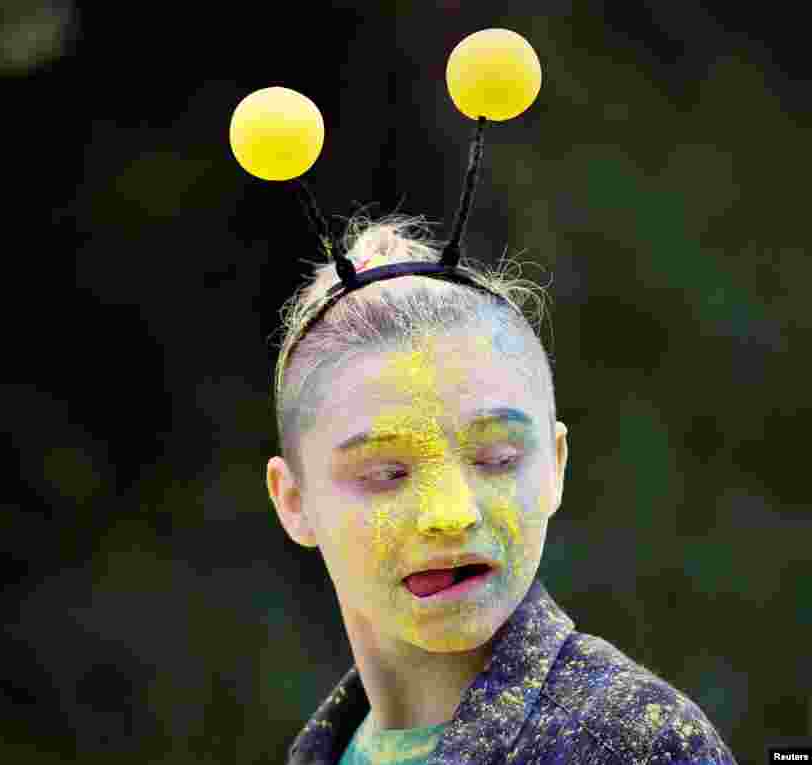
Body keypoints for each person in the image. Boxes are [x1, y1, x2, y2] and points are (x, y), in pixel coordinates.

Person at [264, 211, 738, 765]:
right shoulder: (319, 752)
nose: (452, 514)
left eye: (496, 458)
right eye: (385, 474)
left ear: (556, 465)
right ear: (293, 501)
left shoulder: (634, 745)